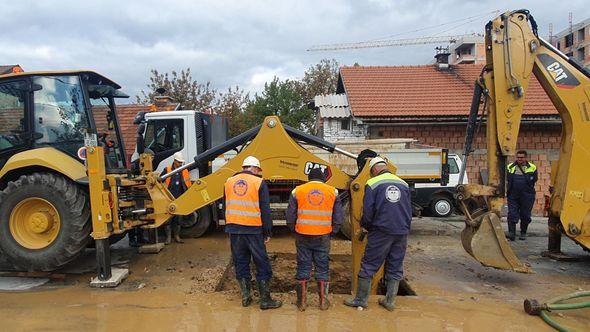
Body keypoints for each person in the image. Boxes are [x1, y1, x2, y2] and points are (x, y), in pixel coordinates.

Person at [344, 157, 412, 311]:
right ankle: (390, 301)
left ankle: (361, 300)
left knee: (369, 264)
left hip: (381, 231)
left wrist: (365, 226)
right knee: (395, 265)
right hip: (401, 231)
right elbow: (409, 209)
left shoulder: (373, 183)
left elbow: (368, 210)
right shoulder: (403, 184)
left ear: (374, 170)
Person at [224, 156, 282, 310]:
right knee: (262, 263)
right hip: (253, 230)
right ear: (255, 168)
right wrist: (267, 231)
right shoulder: (258, 182)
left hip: (234, 229)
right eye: (258, 170)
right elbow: (265, 209)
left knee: (241, 262)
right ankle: (265, 300)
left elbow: (226, 204)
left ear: (244, 167)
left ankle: (246, 297)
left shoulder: (229, 181)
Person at [286, 168, 343, 311]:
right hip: (323, 235)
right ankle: (323, 302)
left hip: (302, 235)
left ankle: (302, 303)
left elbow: (290, 215)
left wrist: (294, 230)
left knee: (303, 267)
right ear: (323, 179)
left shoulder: (298, 191)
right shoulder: (333, 191)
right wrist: (333, 231)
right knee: (322, 267)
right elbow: (338, 217)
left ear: (309, 178)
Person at [506, 150, 538, 241]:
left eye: (522, 157)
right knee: (512, 213)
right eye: (518, 157)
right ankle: (512, 233)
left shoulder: (532, 167)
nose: (520, 159)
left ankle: (523, 232)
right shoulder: (510, 167)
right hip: (513, 194)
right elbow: (508, 178)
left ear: (525, 158)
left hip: (527, 195)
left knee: (525, 215)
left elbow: (534, 179)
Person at [161, 152, 192, 244]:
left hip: (180, 198)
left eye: (181, 162)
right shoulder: (167, 170)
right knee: (167, 219)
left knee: (178, 219)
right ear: (174, 161)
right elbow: (160, 181)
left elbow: (187, 185)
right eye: (179, 162)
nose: (180, 164)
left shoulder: (184, 170)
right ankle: (168, 238)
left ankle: (177, 236)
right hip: (168, 198)